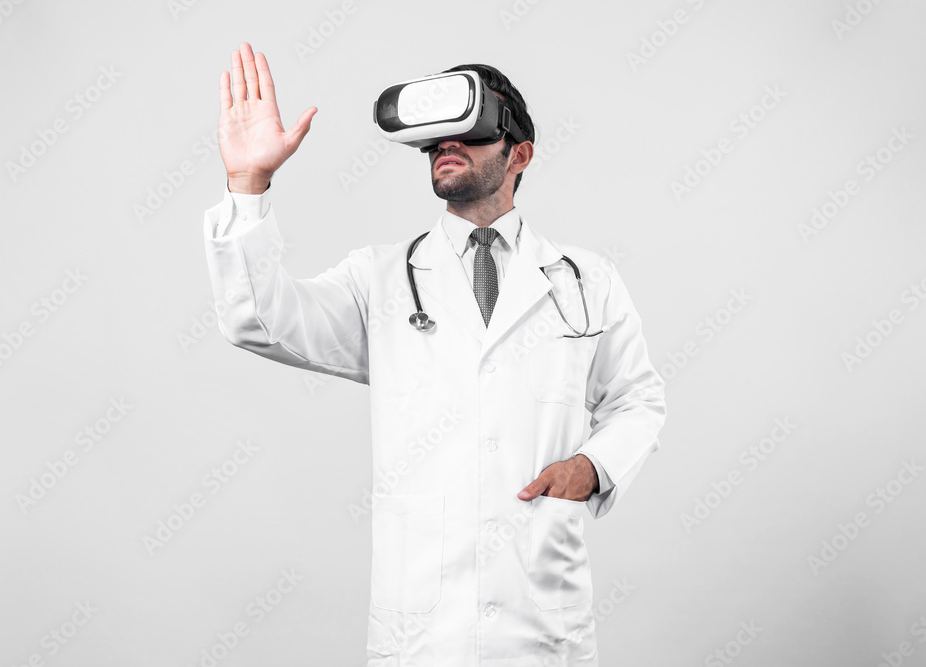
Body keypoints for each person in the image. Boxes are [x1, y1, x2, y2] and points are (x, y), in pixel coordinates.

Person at [202, 42, 666, 667]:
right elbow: (258, 319)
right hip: (422, 634)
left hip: (540, 622)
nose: (447, 145)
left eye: (470, 132)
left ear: (519, 154)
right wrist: (248, 185)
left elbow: (638, 399)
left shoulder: (587, 281)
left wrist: (592, 466)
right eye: (436, 139)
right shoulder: (380, 279)